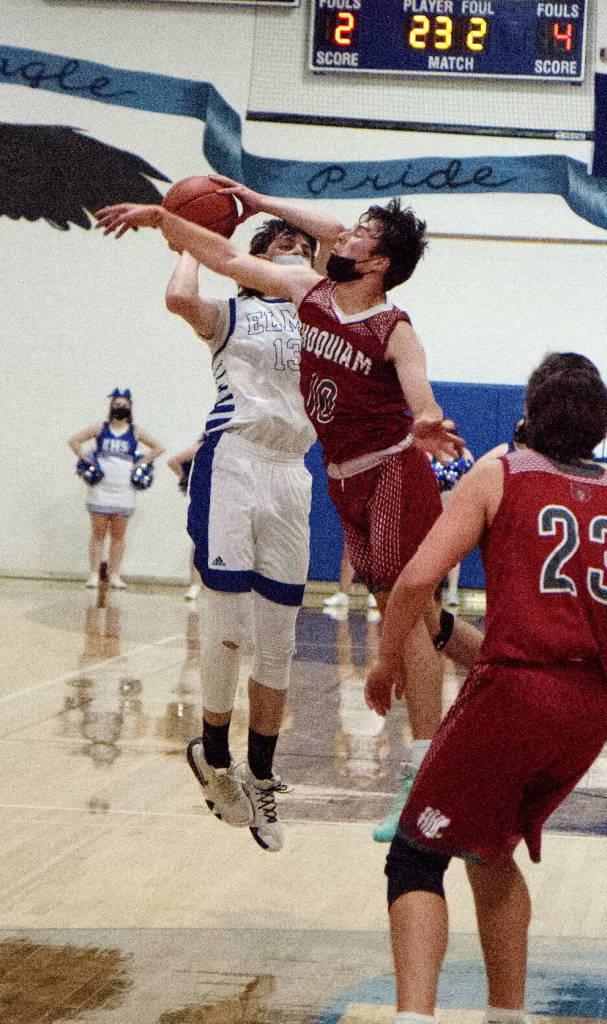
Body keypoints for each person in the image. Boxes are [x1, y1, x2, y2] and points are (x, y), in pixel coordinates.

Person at [95, 183, 484, 844]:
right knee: (403, 617)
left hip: (345, 474)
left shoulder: (360, 316)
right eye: (341, 232)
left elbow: (413, 379)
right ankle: (506, 675)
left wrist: (424, 418)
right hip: (290, 469)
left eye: (345, 238)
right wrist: (173, 216)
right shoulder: (279, 301)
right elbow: (215, 264)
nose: (329, 241)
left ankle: (381, 776)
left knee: (356, 622)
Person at [363, 352, 607, 1024]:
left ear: (528, 415)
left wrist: (383, 662)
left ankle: (412, 1019)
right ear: (600, 429)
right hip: (589, 715)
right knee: (487, 850)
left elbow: (413, 581)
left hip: (514, 695)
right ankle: (505, 1016)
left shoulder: (498, 475)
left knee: (414, 857)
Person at [160, 220, 318, 852]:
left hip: (291, 474)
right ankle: (215, 755)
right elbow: (178, 299)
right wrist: (188, 237)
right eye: (288, 246)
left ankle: (261, 773)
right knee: (230, 626)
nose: (302, 253)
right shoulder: (232, 312)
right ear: (258, 258)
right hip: (235, 461)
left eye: (305, 249)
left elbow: (334, 242)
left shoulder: (319, 313)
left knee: (279, 642)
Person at [68, 389, 164, 589]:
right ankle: (94, 573)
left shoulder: (135, 431)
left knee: (118, 536)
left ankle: (114, 574)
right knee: (98, 533)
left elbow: (159, 447)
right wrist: (86, 459)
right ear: (111, 406)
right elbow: (74, 441)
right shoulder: (100, 428)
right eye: (116, 404)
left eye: (124, 405)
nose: (120, 408)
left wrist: (140, 463)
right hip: (100, 489)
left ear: (130, 407)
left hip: (124, 490)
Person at [430, 418, 474, 606]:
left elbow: (472, 479)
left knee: (452, 552)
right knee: (431, 551)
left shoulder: (464, 455)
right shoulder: (430, 453)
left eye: (451, 431)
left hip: (454, 508)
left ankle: (453, 590)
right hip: (433, 510)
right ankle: (430, 589)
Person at [167, 436, 205, 601]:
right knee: (199, 542)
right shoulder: (203, 446)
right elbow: (173, 461)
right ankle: (195, 584)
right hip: (205, 499)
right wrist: (188, 481)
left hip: (228, 500)